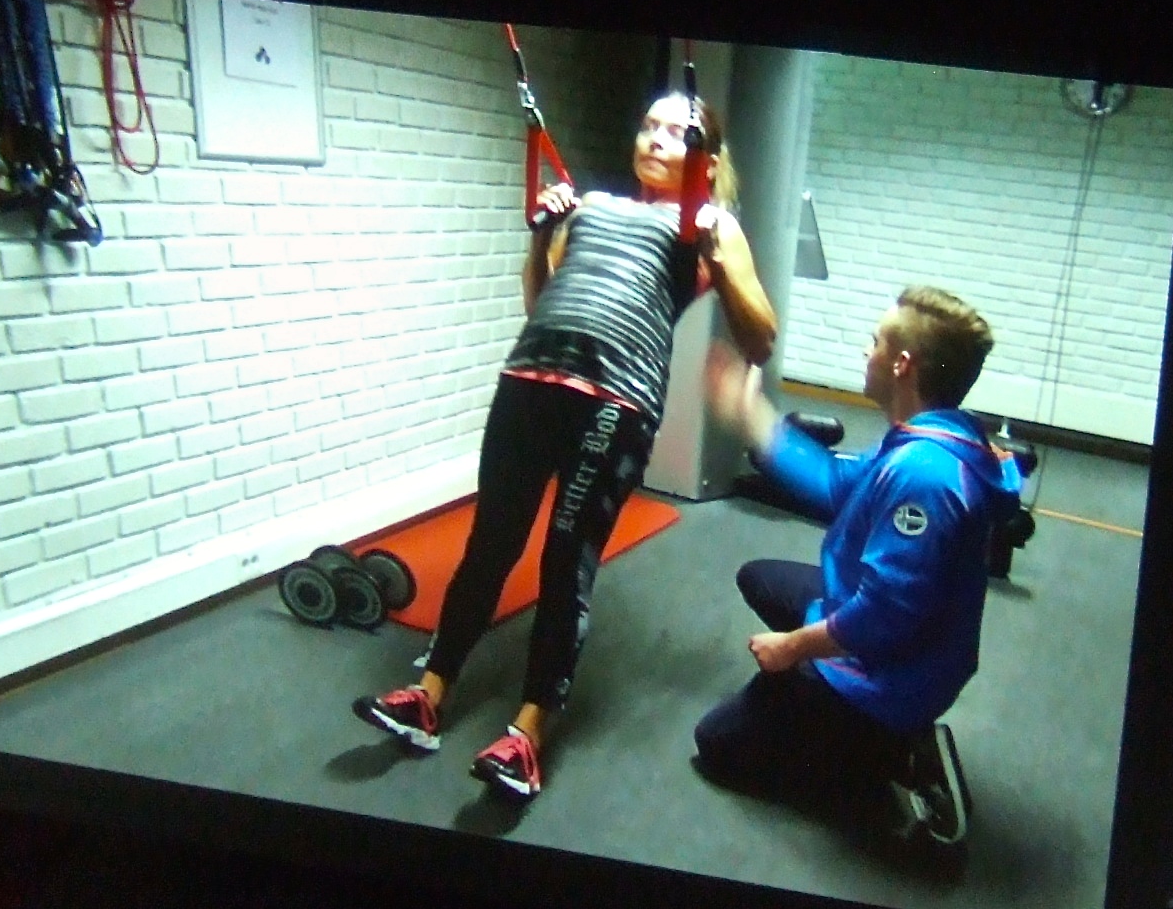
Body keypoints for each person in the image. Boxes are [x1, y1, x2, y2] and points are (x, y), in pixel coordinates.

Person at [354, 90, 778, 799]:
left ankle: (527, 735)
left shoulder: (709, 224)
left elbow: (761, 337)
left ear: (706, 157)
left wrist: (720, 260)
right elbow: (539, 301)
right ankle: (428, 696)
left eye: (677, 132)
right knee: (490, 544)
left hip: (615, 401)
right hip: (529, 380)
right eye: (649, 124)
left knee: (564, 560)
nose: (655, 138)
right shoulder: (590, 207)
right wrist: (539, 237)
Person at [693, 286, 1023, 839]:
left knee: (716, 745)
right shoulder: (931, 435)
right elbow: (835, 482)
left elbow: (884, 618)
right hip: (902, 639)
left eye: (875, 341)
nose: (865, 351)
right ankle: (841, 723)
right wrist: (754, 420)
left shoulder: (926, 475)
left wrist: (790, 648)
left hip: (890, 676)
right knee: (760, 578)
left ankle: (882, 750)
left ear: (901, 364)